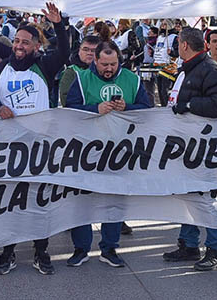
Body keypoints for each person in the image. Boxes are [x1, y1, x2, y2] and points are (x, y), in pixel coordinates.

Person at [0, 2, 69, 277]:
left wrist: (58, 23)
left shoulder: (44, 65)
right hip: (7, 146)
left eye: (25, 42)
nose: (19, 46)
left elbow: (65, 51)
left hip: (38, 146)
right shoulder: (1, 67)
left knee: (38, 201)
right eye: (17, 41)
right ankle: (7, 252)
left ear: (35, 46)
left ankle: (40, 250)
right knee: (9, 200)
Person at [65, 41, 152, 268]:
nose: (109, 69)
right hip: (86, 151)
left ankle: (110, 248)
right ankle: (81, 248)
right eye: (104, 64)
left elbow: (148, 109)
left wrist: (128, 108)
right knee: (82, 202)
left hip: (120, 152)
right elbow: (69, 109)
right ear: (95, 61)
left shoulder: (132, 80)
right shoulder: (83, 79)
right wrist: (95, 109)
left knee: (114, 201)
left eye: (113, 64)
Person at [162, 27, 217, 271]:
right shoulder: (187, 69)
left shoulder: (211, 70)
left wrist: (190, 104)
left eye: (177, 44)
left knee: (207, 201)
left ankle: (216, 249)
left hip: (205, 148)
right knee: (187, 198)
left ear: (184, 45)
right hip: (184, 147)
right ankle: (189, 244)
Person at [58, 35, 99, 107]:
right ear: (79, 50)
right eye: (85, 49)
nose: (89, 53)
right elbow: (65, 99)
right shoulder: (71, 72)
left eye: (94, 50)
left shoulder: (107, 71)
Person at [154, 20, 179, 106]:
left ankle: (167, 108)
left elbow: (178, 53)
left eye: (165, 25)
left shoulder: (174, 37)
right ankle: (162, 107)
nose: (163, 26)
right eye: (162, 25)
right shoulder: (160, 37)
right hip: (159, 67)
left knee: (165, 91)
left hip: (169, 69)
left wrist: (171, 53)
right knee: (160, 91)